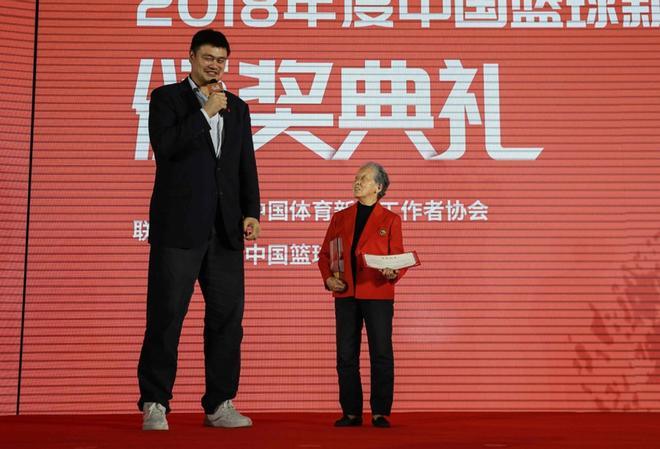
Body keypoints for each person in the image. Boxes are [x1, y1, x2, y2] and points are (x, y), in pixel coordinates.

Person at [137, 29, 260, 431]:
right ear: (190, 57)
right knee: (166, 315)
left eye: (221, 60)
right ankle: (155, 402)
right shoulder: (167, 99)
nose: (215, 66)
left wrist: (251, 211)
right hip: (179, 229)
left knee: (227, 319)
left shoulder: (237, 108)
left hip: (224, 231)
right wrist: (204, 112)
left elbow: (244, 165)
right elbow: (165, 147)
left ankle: (220, 403)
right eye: (208, 58)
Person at [318, 162, 406, 428]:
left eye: (364, 179)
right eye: (356, 178)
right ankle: (351, 412)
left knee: (381, 353)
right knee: (346, 354)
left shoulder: (390, 219)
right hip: (346, 293)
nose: (357, 182)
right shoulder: (340, 217)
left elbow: (398, 257)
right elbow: (325, 255)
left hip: (378, 293)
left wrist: (394, 273)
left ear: (378, 187)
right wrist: (328, 278)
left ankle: (380, 411)